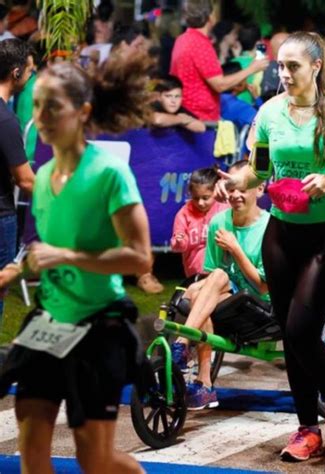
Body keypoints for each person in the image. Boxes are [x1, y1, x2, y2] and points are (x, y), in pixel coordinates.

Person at [0, 51, 154, 474]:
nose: (42, 116)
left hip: (99, 328)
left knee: (96, 460)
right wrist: (19, 269)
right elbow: (46, 252)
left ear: (83, 111)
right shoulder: (44, 178)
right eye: (36, 105)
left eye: (54, 106)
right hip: (50, 324)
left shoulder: (109, 173)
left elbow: (139, 257)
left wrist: (68, 256)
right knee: (30, 453)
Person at [216, 31, 325, 462]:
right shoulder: (269, 112)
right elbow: (259, 170)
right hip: (282, 233)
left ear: (316, 67)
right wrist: (235, 184)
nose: (284, 73)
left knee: (300, 330)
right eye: (280, 65)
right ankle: (306, 428)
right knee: (291, 336)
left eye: (293, 65)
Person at [171, 160, 269, 410]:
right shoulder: (219, 222)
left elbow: (263, 288)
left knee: (212, 282)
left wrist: (235, 249)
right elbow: (213, 272)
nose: (235, 195)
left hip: (258, 303)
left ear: (260, 189)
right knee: (199, 289)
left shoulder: (270, 227)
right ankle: (204, 385)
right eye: (231, 188)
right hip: (225, 296)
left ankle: (182, 344)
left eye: (242, 188)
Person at [170, 0, 268, 121]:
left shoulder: (182, 39)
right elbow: (220, 84)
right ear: (211, 16)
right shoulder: (200, 43)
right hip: (200, 118)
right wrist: (252, 68)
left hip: (187, 113)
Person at [0, 39, 35, 328]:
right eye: (29, 71)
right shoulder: (5, 120)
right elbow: (25, 180)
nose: (31, 77)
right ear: (15, 73)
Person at [171, 167, 227, 277]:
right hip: (194, 273)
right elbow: (177, 247)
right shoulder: (183, 214)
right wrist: (179, 242)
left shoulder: (225, 209)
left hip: (222, 272)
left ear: (216, 191)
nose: (200, 203)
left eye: (206, 198)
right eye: (195, 198)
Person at [220, 61, 261, 131]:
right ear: (237, 85)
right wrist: (257, 99)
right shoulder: (241, 108)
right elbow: (264, 124)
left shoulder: (218, 100)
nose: (247, 79)